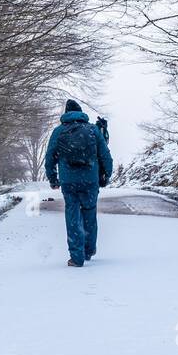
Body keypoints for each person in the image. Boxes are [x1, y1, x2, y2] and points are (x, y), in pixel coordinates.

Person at [44, 99, 113, 267]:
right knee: (89, 213)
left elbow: (50, 157)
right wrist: (106, 175)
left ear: (66, 114)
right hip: (90, 180)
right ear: (80, 112)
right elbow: (105, 154)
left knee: (73, 215)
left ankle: (77, 257)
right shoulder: (93, 130)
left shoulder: (59, 131)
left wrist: (53, 178)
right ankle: (89, 250)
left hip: (69, 182)